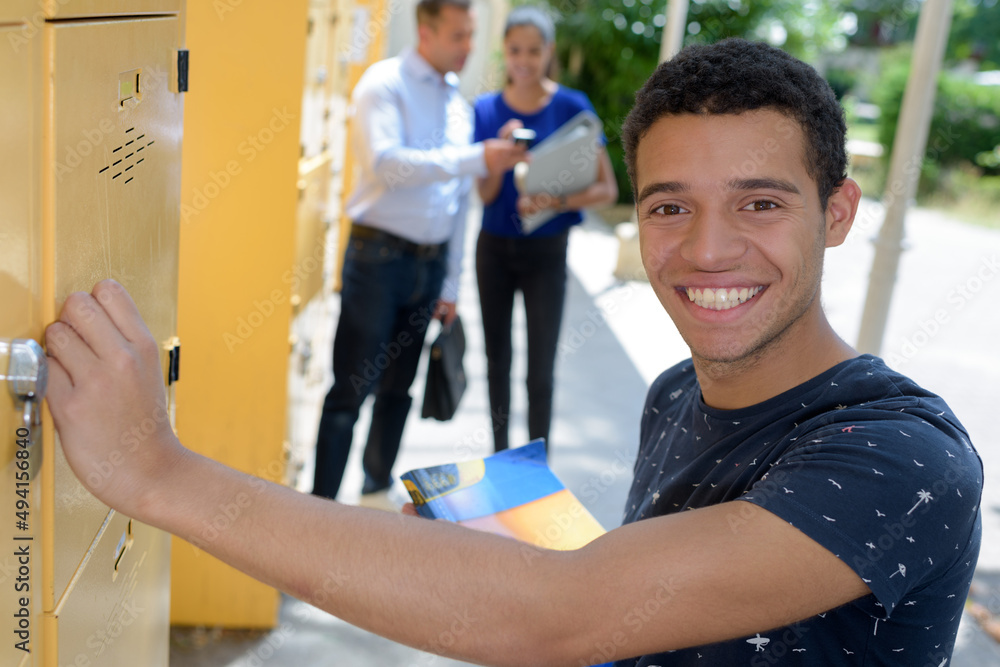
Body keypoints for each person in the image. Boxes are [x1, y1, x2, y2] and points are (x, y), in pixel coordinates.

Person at [45, 38, 981, 666]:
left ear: (839, 213)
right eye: (669, 206)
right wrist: (511, 542)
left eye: (761, 203)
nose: (706, 249)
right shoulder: (675, 392)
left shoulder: (902, 460)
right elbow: (644, 605)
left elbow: (567, 613)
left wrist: (155, 471)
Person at [311, 0, 527, 505]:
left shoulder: (458, 102)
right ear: (425, 33)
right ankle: (317, 511)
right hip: (377, 261)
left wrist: (450, 284)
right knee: (349, 392)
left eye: (472, 35)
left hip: (428, 268)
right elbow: (388, 165)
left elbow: (455, 203)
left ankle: (373, 495)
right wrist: (477, 158)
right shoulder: (383, 85)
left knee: (397, 391)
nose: (469, 47)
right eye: (459, 36)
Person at [472, 6, 618, 453]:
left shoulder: (573, 107)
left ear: (548, 52)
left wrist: (554, 201)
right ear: (504, 51)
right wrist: (502, 157)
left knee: (540, 368)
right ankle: (500, 458)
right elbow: (484, 194)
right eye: (515, 50)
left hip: (547, 252)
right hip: (493, 250)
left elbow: (606, 189)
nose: (524, 60)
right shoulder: (486, 109)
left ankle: (538, 467)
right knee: (497, 361)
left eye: (534, 51)